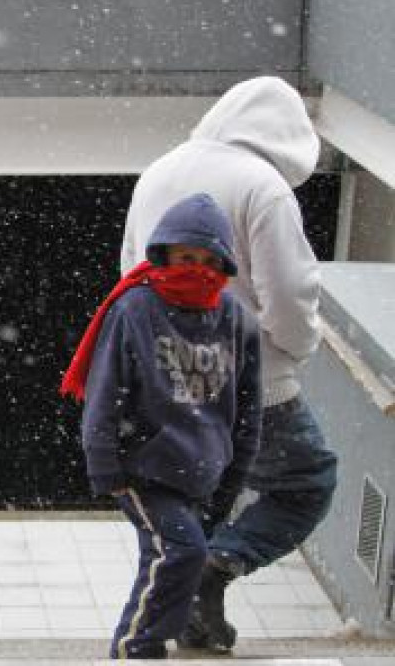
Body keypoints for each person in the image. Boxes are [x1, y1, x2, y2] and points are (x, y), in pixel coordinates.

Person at [120, 76, 338, 652]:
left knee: (192, 496)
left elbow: (129, 275)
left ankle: (187, 615)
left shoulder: (160, 171)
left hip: (166, 381)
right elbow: (289, 292)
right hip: (251, 383)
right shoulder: (263, 187)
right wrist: (290, 355)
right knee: (306, 483)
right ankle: (219, 564)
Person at [62, 193, 262, 659]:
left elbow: (247, 407)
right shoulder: (135, 309)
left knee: (175, 556)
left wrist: (234, 475)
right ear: (165, 254)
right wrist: (106, 466)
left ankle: (158, 637)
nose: (196, 268)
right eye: (185, 258)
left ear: (224, 263)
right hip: (144, 466)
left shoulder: (235, 319)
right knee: (181, 552)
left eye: (207, 260)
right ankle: (137, 647)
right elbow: (105, 390)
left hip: (206, 470)